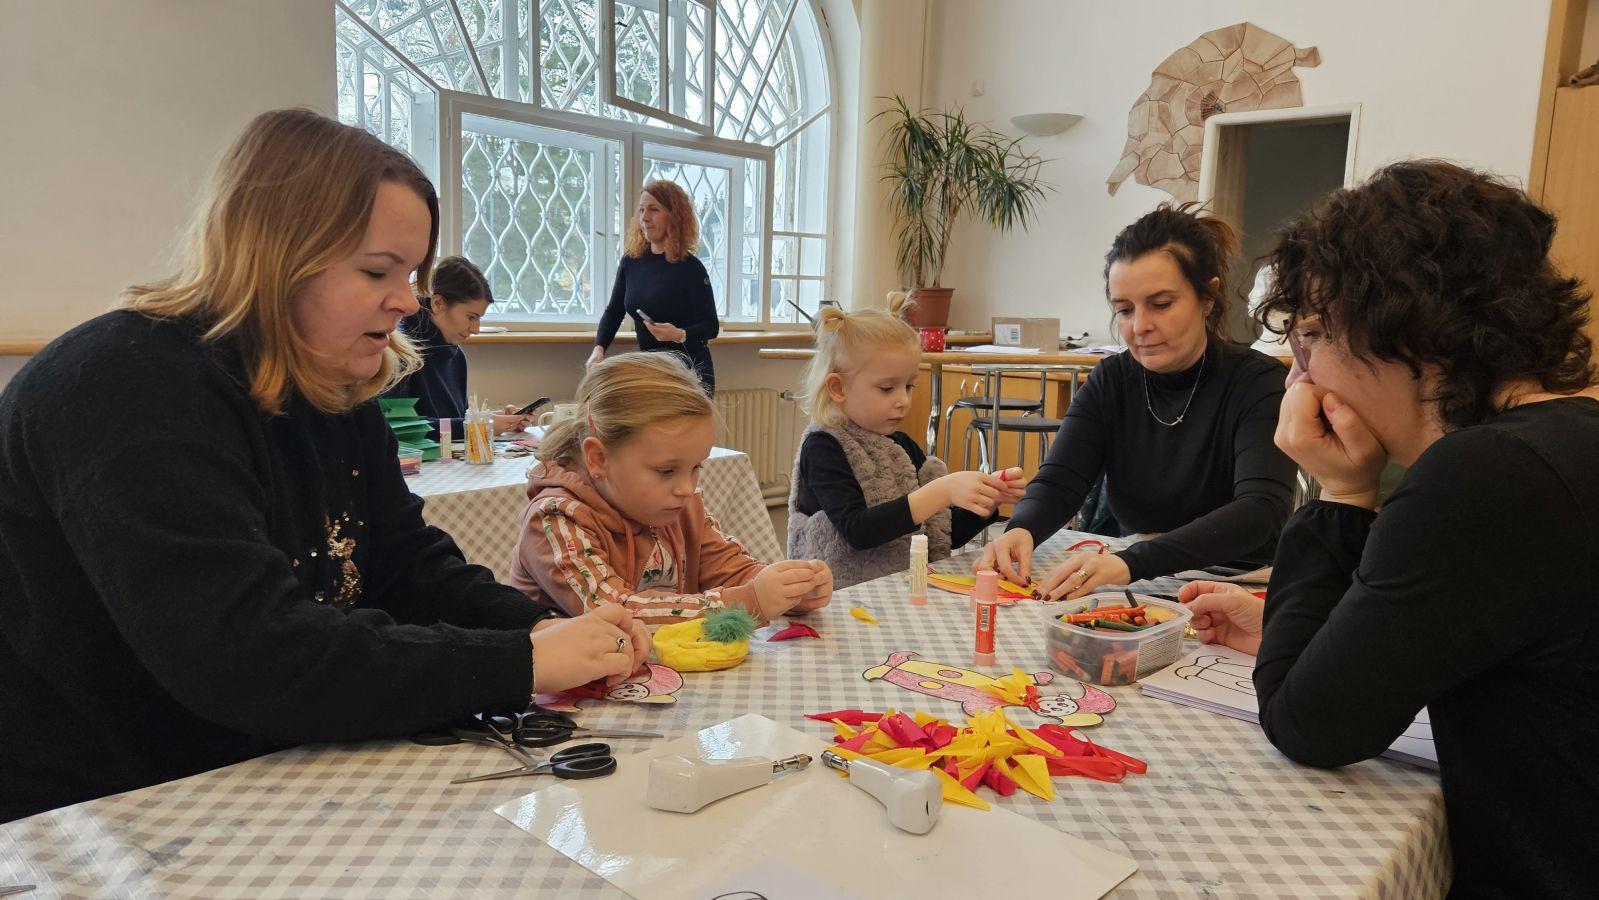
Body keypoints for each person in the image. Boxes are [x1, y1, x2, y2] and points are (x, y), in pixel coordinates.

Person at [0, 109, 649, 824]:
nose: (406, 300)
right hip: (87, 805)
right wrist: (518, 662)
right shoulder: (126, 385)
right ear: (275, 255)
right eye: (377, 270)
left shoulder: (331, 384)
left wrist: (535, 628)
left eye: (411, 273)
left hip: (247, 764)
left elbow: (404, 563)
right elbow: (245, 655)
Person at [1178, 160, 1599, 896]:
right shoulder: (1566, 440)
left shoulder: (1484, 475)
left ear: (1404, 328)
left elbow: (1309, 725)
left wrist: (1342, 492)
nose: (1298, 377)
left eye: (1312, 336)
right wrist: (1307, 630)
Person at [976, 203, 1296, 599]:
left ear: (1207, 297)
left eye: (1161, 304)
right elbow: (1060, 481)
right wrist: (1021, 528)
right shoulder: (1111, 380)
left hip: (1239, 582)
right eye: (1124, 310)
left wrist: (1133, 562)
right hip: (1139, 573)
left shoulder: (1259, 383)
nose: (1140, 326)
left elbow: (1261, 510)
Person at [510, 351, 832, 624]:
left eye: (696, 467)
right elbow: (616, 613)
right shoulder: (556, 519)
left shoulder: (679, 505)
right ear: (598, 459)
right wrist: (749, 601)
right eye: (666, 471)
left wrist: (787, 590)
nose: (687, 488)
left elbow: (729, 568)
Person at [787, 303, 1027, 588]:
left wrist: (988, 501)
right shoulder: (823, 448)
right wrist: (941, 491)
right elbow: (858, 531)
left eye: (909, 386)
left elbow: (942, 536)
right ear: (838, 388)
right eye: (887, 388)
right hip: (837, 598)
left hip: (901, 593)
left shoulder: (902, 446)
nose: (903, 400)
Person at [588, 180, 720, 394]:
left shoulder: (691, 268)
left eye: (654, 210)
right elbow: (614, 312)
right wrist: (599, 349)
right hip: (654, 371)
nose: (645, 217)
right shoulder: (631, 261)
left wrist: (678, 334)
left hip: (689, 375)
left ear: (674, 217)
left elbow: (711, 326)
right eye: (641, 210)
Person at [384, 255, 530, 437]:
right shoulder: (399, 350)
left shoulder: (455, 354)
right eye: (471, 317)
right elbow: (399, 428)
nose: (476, 329)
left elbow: (455, 420)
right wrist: (480, 426)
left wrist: (492, 420)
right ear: (438, 303)